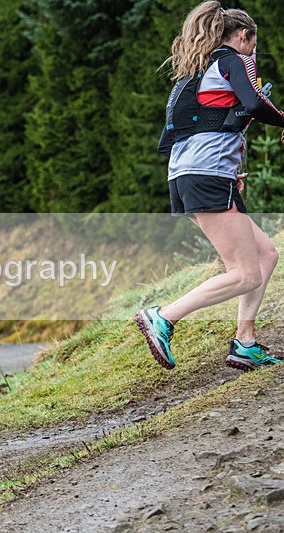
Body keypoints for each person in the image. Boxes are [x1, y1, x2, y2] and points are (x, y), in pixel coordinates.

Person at [137, 1, 284, 372]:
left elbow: (209, 125)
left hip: (194, 174)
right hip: (206, 174)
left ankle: (245, 344)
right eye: (253, 43)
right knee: (245, 273)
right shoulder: (235, 60)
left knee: (265, 255)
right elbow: (253, 103)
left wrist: (227, 170)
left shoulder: (197, 70)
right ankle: (163, 317)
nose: (254, 51)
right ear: (243, 36)